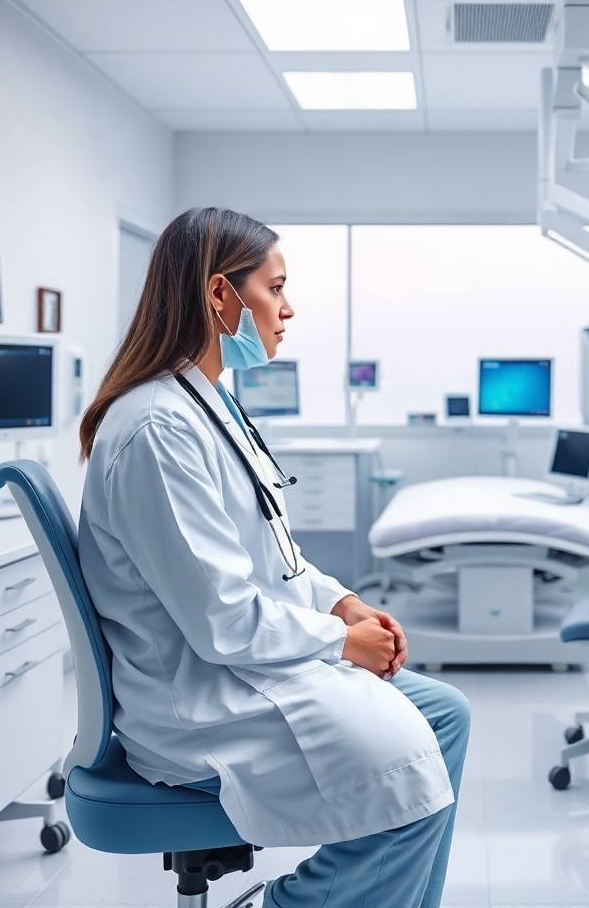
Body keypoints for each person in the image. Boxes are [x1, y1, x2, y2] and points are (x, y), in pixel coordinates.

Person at [78, 208, 469, 908]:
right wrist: (342, 644)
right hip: (202, 696)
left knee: (446, 717)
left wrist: (340, 602)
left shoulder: (208, 403)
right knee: (411, 766)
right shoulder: (158, 430)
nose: (288, 310)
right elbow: (225, 620)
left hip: (244, 665)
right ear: (220, 295)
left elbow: (269, 553)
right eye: (275, 287)